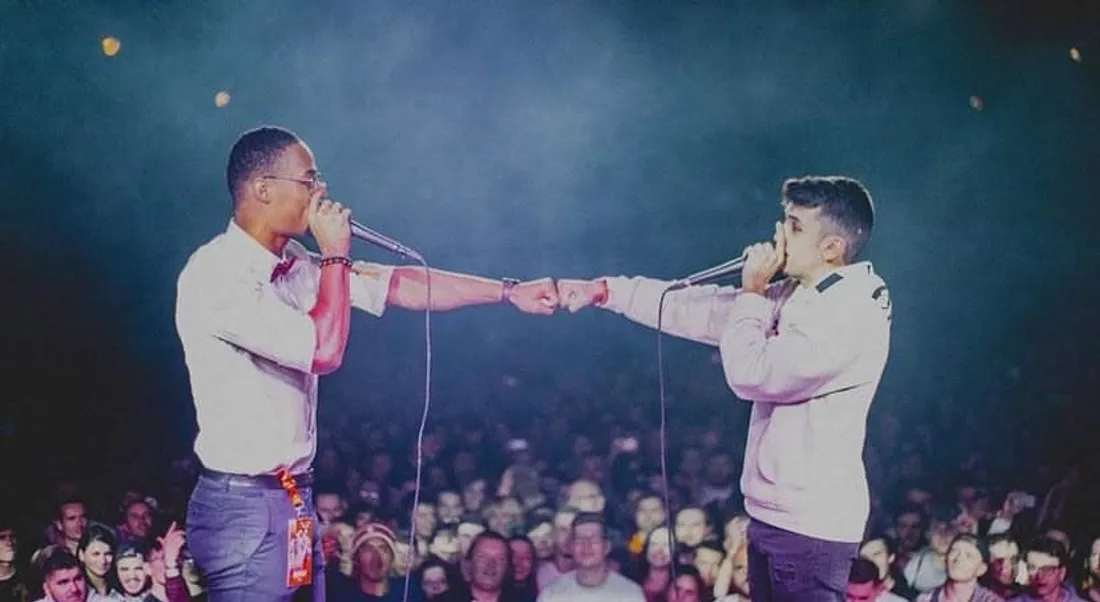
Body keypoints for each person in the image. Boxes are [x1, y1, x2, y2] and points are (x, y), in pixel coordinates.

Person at [175, 125, 559, 602]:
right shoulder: (216, 276)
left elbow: (397, 282)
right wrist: (335, 253)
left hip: (293, 498)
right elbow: (323, 351)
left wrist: (507, 291)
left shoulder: (295, 262)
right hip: (244, 505)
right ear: (263, 188)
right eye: (309, 180)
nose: (321, 194)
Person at [557, 175, 889, 602]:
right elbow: (704, 310)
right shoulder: (801, 293)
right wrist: (607, 291)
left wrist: (752, 292)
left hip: (810, 524)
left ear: (832, 248)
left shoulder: (849, 312)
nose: (778, 237)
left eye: (794, 227)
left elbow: (752, 373)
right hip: (772, 514)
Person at [537, 512, 645, 602]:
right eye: (580, 539)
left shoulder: (630, 593)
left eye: (594, 539)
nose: (586, 545)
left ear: (606, 547)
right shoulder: (552, 594)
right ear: (571, 547)